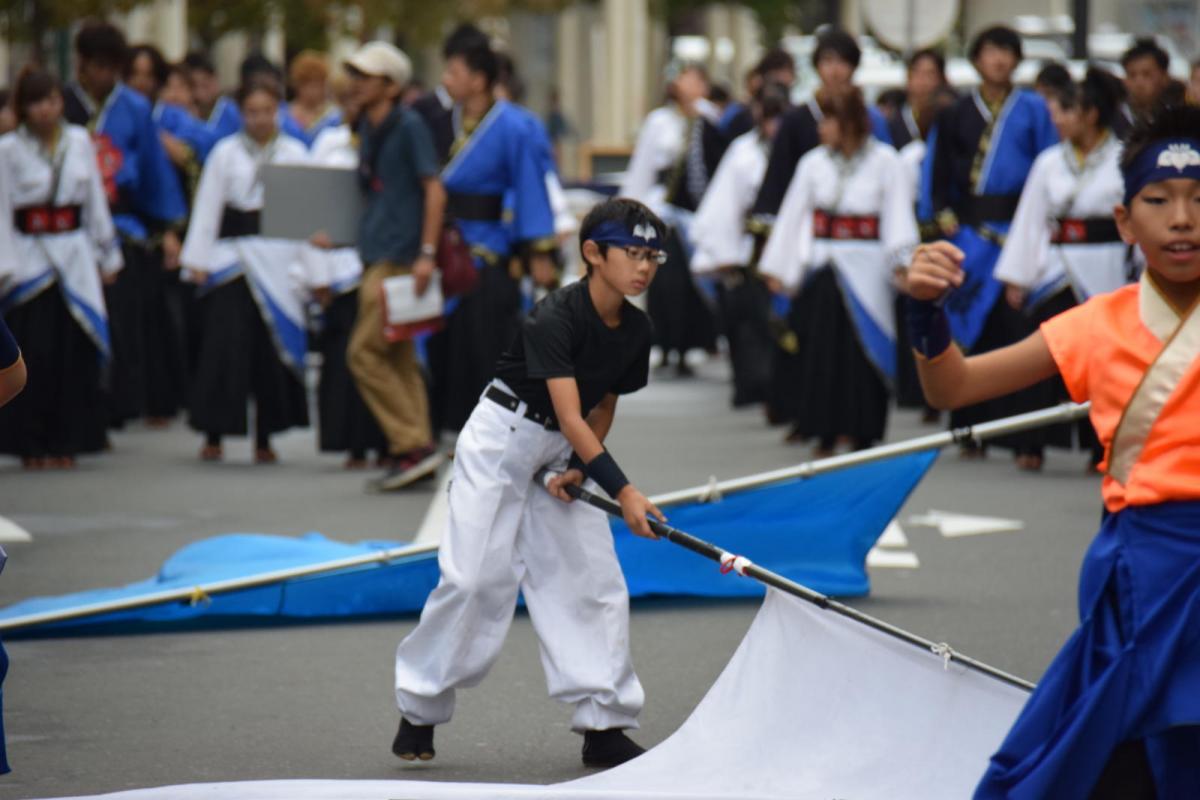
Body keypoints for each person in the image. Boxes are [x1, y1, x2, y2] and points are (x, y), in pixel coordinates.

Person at [906, 103, 1200, 800]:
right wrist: (925, 315)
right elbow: (955, 386)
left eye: (1199, 200)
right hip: (1144, 569)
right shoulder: (1094, 325)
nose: (1183, 218)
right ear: (1125, 222)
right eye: (1159, 201)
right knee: (1110, 747)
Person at [391, 197, 664, 769]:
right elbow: (568, 414)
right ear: (593, 253)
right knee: (475, 580)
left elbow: (599, 407)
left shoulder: (636, 329)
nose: (644, 267)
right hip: (501, 439)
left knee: (590, 578)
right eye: (633, 253)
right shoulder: (554, 317)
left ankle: (604, 724)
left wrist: (581, 468)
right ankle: (420, 705)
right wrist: (625, 490)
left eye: (653, 256)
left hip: (564, 450)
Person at [922, 24, 1058, 466]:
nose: (999, 60)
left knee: (1020, 337)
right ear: (977, 59)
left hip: (1019, 231)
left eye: (1007, 52)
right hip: (970, 237)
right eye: (990, 51)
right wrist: (942, 218)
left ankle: (1026, 441)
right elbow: (937, 173)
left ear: (1017, 60)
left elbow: (1049, 171)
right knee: (969, 336)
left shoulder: (1035, 109)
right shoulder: (955, 112)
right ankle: (969, 431)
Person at [760, 88, 918, 454]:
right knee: (821, 349)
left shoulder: (885, 161)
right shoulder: (812, 163)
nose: (821, 129)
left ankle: (863, 429)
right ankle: (824, 428)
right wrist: (779, 267)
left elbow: (897, 217)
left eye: (828, 121)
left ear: (848, 123)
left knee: (861, 353)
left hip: (869, 266)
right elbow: (793, 216)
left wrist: (902, 264)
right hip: (823, 264)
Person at [992, 68, 1132, 468]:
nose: (1058, 118)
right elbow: (1030, 219)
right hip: (1055, 266)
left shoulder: (1124, 158)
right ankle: (1030, 444)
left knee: (1102, 361)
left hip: (1105, 265)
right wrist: (1018, 276)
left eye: (1068, 110)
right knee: (1046, 352)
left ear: (1091, 114)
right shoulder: (1049, 162)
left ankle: (1100, 446)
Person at [424, 25, 558, 435]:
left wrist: (538, 252)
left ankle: (488, 429)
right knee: (443, 343)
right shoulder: (438, 120)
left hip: (488, 248)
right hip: (444, 247)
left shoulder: (514, 126)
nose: (446, 80)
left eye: (454, 72)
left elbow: (529, 187)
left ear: (479, 80)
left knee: (484, 342)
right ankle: (444, 426)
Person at [64, 22, 187, 429]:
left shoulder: (133, 107)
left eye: (111, 68)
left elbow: (152, 170)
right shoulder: (63, 104)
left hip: (124, 223)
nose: (103, 76)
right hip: (65, 227)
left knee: (125, 320)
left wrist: (167, 226)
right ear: (81, 64)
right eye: (96, 66)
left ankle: (118, 402)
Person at [180, 76, 310, 463]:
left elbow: (304, 218)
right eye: (252, 112)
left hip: (277, 257)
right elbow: (208, 207)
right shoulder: (225, 153)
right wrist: (197, 259)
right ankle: (214, 431)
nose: (260, 118)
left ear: (279, 111)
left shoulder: (294, 153)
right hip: (231, 259)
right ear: (241, 113)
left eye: (267, 111)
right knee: (224, 348)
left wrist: (310, 269)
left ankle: (266, 437)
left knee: (268, 352)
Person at [0, 67, 122, 469]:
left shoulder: (78, 140)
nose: (46, 110)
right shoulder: (8, 149)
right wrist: (6, 266)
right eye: (36, 102)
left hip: (74, 254)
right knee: (33, 357)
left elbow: (94, 202)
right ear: (23, 108)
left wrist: (107, 252)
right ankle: (31, 444)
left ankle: (69, 439)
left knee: (73, 356)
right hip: (28, 260)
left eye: (51, 100)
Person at [339, 41, 445, 490]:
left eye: (366, 76)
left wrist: (426, 254)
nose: (356, 83)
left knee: (363, 353)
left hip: (400, 258)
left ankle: (412, 444)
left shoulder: (408, 126)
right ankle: (415, 449)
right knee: (397, 353)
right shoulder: (370, 126)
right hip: (379, 253)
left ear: (390, 84)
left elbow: (434, 190)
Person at [305, 71, 387, 469]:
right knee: (343, 359)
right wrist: (316, 275)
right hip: (338, 269)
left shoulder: (386, 140)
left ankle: (385, 441)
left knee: (381, 354)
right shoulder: (328, 144)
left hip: (378, 261)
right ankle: (351, 444)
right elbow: (314, 214)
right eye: (348, 101)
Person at [688, 81, 788, 407]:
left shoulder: (796, 150)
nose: (773, 124)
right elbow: (725, 204)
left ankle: (778, 388)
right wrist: (723, 252)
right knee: (744, 322)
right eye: (767, 115)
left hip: (784, 249)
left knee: (776, 324)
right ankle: (749, 386)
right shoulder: (743, 151)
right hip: (747, 249)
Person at [619, 62, 721, 376]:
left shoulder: (708, 119)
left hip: (695, 212)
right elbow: (643, 167)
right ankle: (663, 346)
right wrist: (629, 210)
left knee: (690, 284)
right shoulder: (659, 121)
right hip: (663, 210)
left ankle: (689, 346)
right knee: (664, 280)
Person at [1117, 38, 1186, 138]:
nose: (1138, 83)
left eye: (1147, 75)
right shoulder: (1112, 120)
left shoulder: (1179, 121)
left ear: (1164, 77)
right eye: (1132, 75)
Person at [282, 50, 342, 148]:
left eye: (318, 85)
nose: (313, 91)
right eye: (307, 85)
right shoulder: (283, 114)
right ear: (297, 85)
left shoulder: (333, 116)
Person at [183, 51, 241, 142]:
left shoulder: (232, 112)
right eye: (193, 86)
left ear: (215, 80)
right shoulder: (183, 112)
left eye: (205, 85)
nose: (199, 93)